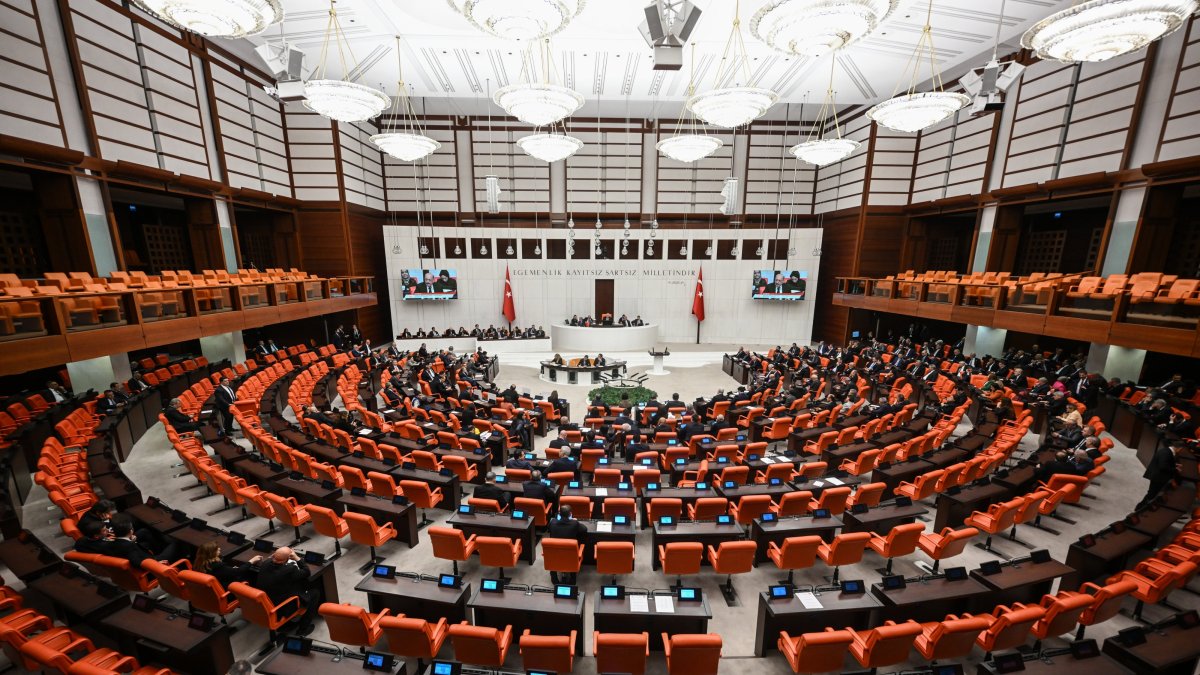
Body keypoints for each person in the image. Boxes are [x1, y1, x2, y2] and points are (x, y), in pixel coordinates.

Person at [252, 546, 317, 636]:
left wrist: (279, 556)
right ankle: (303, 629)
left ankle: (285, 625)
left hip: (264, 604)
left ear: (273, 555)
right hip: (280, 608)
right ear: (287, 559)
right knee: (315, 593)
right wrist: (297, 558)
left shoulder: (265, 563)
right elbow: (306, 572)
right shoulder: (290, 569)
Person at [545, 504, 587, 584]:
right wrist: (575, 520)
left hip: (554, 555)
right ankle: (572, 579)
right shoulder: (574, 523)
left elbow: (548, 529)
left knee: (553, 551)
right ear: (570, 514)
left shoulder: (552, 522)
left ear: (559, 514)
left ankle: (554, 578)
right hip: (570, 556)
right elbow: (584, 529)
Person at [1139, 443, 1184, 509]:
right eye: (1181, 449)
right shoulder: (1166, 453)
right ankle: (1140, 507)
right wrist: (1175, 469)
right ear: (1179, 448)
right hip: (1158, 477)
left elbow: (1166, 463)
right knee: (1152, 493)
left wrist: (1175, 465)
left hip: (1158, 476)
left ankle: (1143, 506)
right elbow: (1163, 466)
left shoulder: (1167, 451)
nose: (1180, 451)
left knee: (1152, 493)